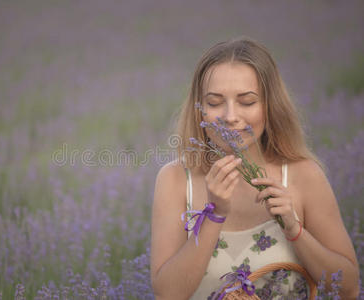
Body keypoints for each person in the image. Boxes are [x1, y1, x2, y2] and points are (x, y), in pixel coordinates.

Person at [150, 37, 360, 299]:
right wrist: (215, 215)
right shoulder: (175, 180)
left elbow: (348, 288)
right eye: (215, 102)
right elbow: (168, 294)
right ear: (199, 110)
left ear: (270, 106)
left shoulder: (304, 175)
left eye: (247, 102)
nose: (230, 116)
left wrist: (294, 230)